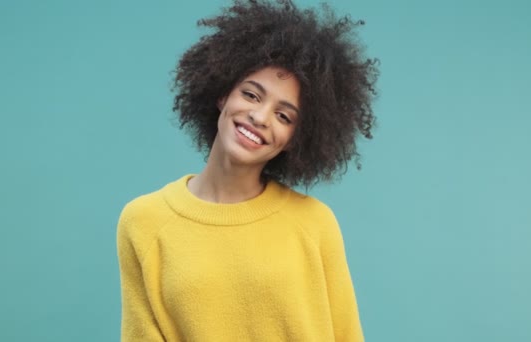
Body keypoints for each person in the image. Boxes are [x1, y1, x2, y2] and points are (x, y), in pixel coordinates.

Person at [116, 0, 378, 341]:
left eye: (284, 116)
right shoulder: (143, 221)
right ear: (223, 93)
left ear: (293, 140)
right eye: (252, 95)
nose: (260, 117)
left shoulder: (314, 223)